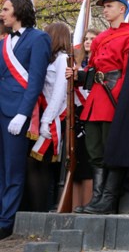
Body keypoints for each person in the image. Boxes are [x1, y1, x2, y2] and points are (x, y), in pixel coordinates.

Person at [73, 0, 129, 214]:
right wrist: (78, 75)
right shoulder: (99, 38)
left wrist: (121, 101)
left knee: (113, 151)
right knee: (95, 152)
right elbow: (93, 69)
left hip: (114, 99)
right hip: (95, 99)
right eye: (104, 6)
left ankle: (108, 200)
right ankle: (97, 199)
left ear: (122, 9)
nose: (105, 9)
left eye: (109, 6)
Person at [0, 0, 51, 240]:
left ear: (18, 11)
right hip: (0, 109)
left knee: (13, 170)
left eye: (5, 9)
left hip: (16, 114)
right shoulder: (4, 41)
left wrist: (23, 113)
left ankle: (5, 221)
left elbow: (36, 80)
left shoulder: (40, 38)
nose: (2, 13)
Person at [22, 22, 70, 213]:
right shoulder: (51, 59)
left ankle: (40, 210)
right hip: (44, 114)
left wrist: (46, 121)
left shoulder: (63, 59)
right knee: (37, 166)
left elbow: (59, 93)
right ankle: (37, 209)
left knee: (37, 164)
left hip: (53, 117)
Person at [71, 29, 99, 210]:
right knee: (75, 165)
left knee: (88, 164)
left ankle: (87, 204)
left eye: (92, 38)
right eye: (86, 39)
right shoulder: (76, 64)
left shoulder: (99, 63)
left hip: (93, 115)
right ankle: (72, 206)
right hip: (76, 116)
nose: (88, 41)